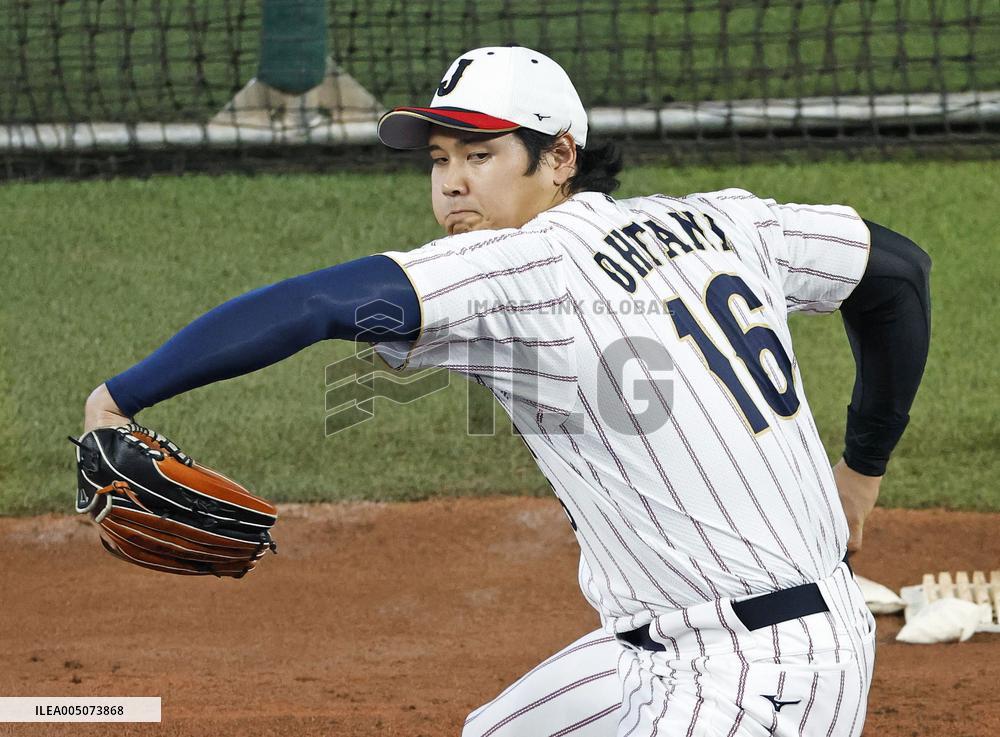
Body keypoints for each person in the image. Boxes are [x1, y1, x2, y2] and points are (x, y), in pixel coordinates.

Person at [83, 46, 931, 736]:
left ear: (560, 157)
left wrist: (119, 396)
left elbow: (313, 304)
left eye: (480, 155)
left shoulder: (520, 261)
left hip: (770, 672)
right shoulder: (726, 218)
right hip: (648, 652)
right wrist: (861, 469)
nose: (451, 183)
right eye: (440, 159)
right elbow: (896, 276)